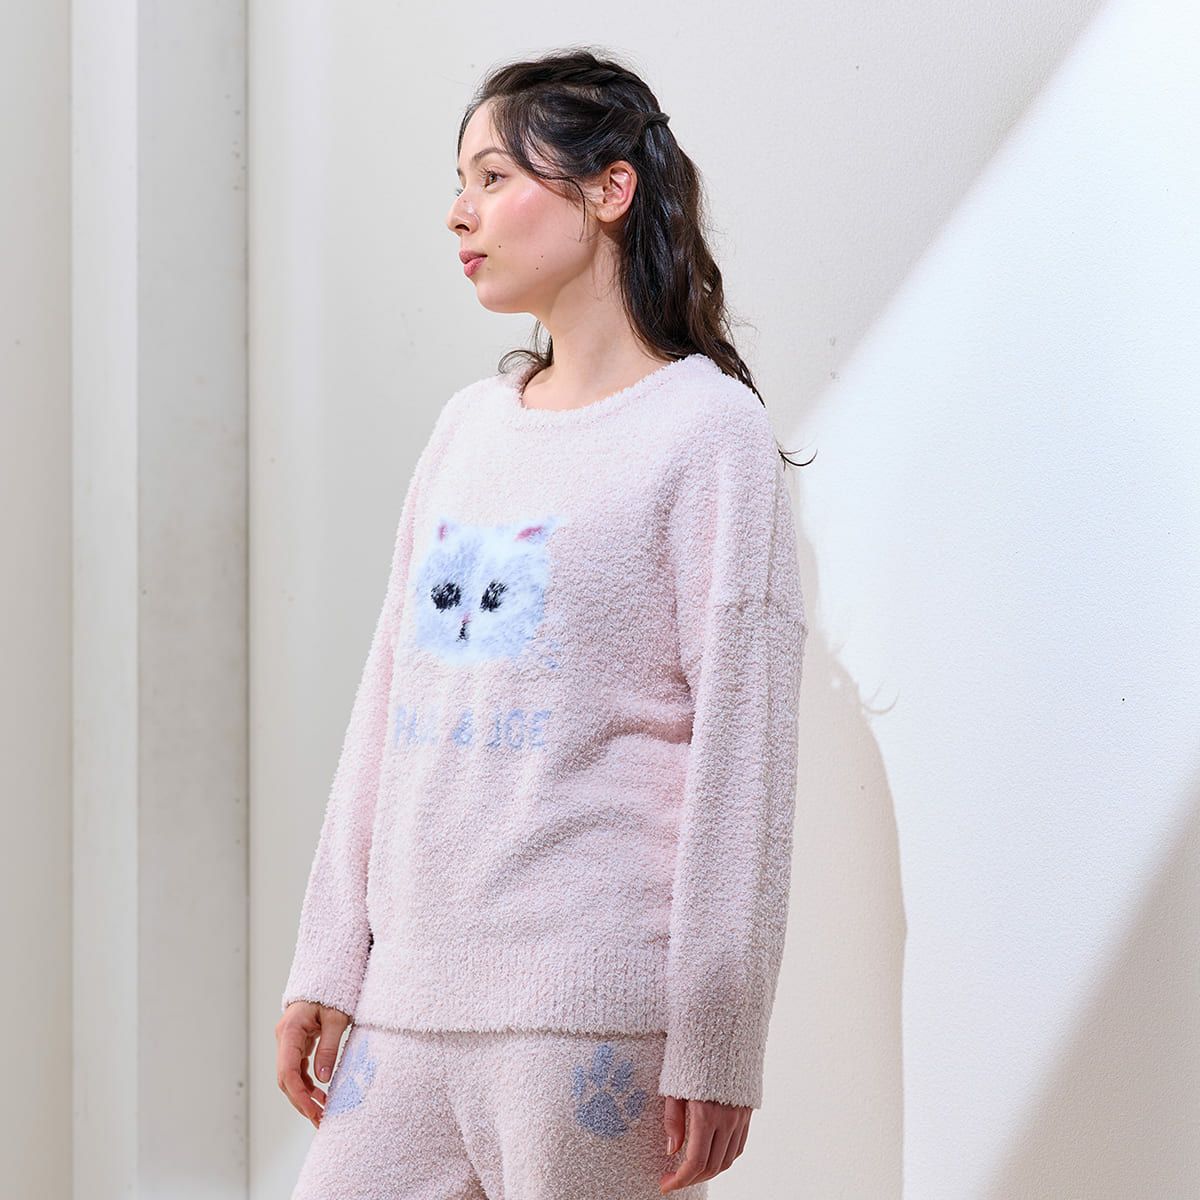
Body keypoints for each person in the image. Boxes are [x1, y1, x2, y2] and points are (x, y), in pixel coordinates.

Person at [275, 45, 812, 1200]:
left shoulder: (707, 433)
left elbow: (744, 755)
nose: (460, 214)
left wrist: (719, 1033)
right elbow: (388, 701)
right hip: (409, 999)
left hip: (590, 1011)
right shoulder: (467, 429)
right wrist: (329, 957)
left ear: (609, 189)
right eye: (457, 185)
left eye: (493, 177)